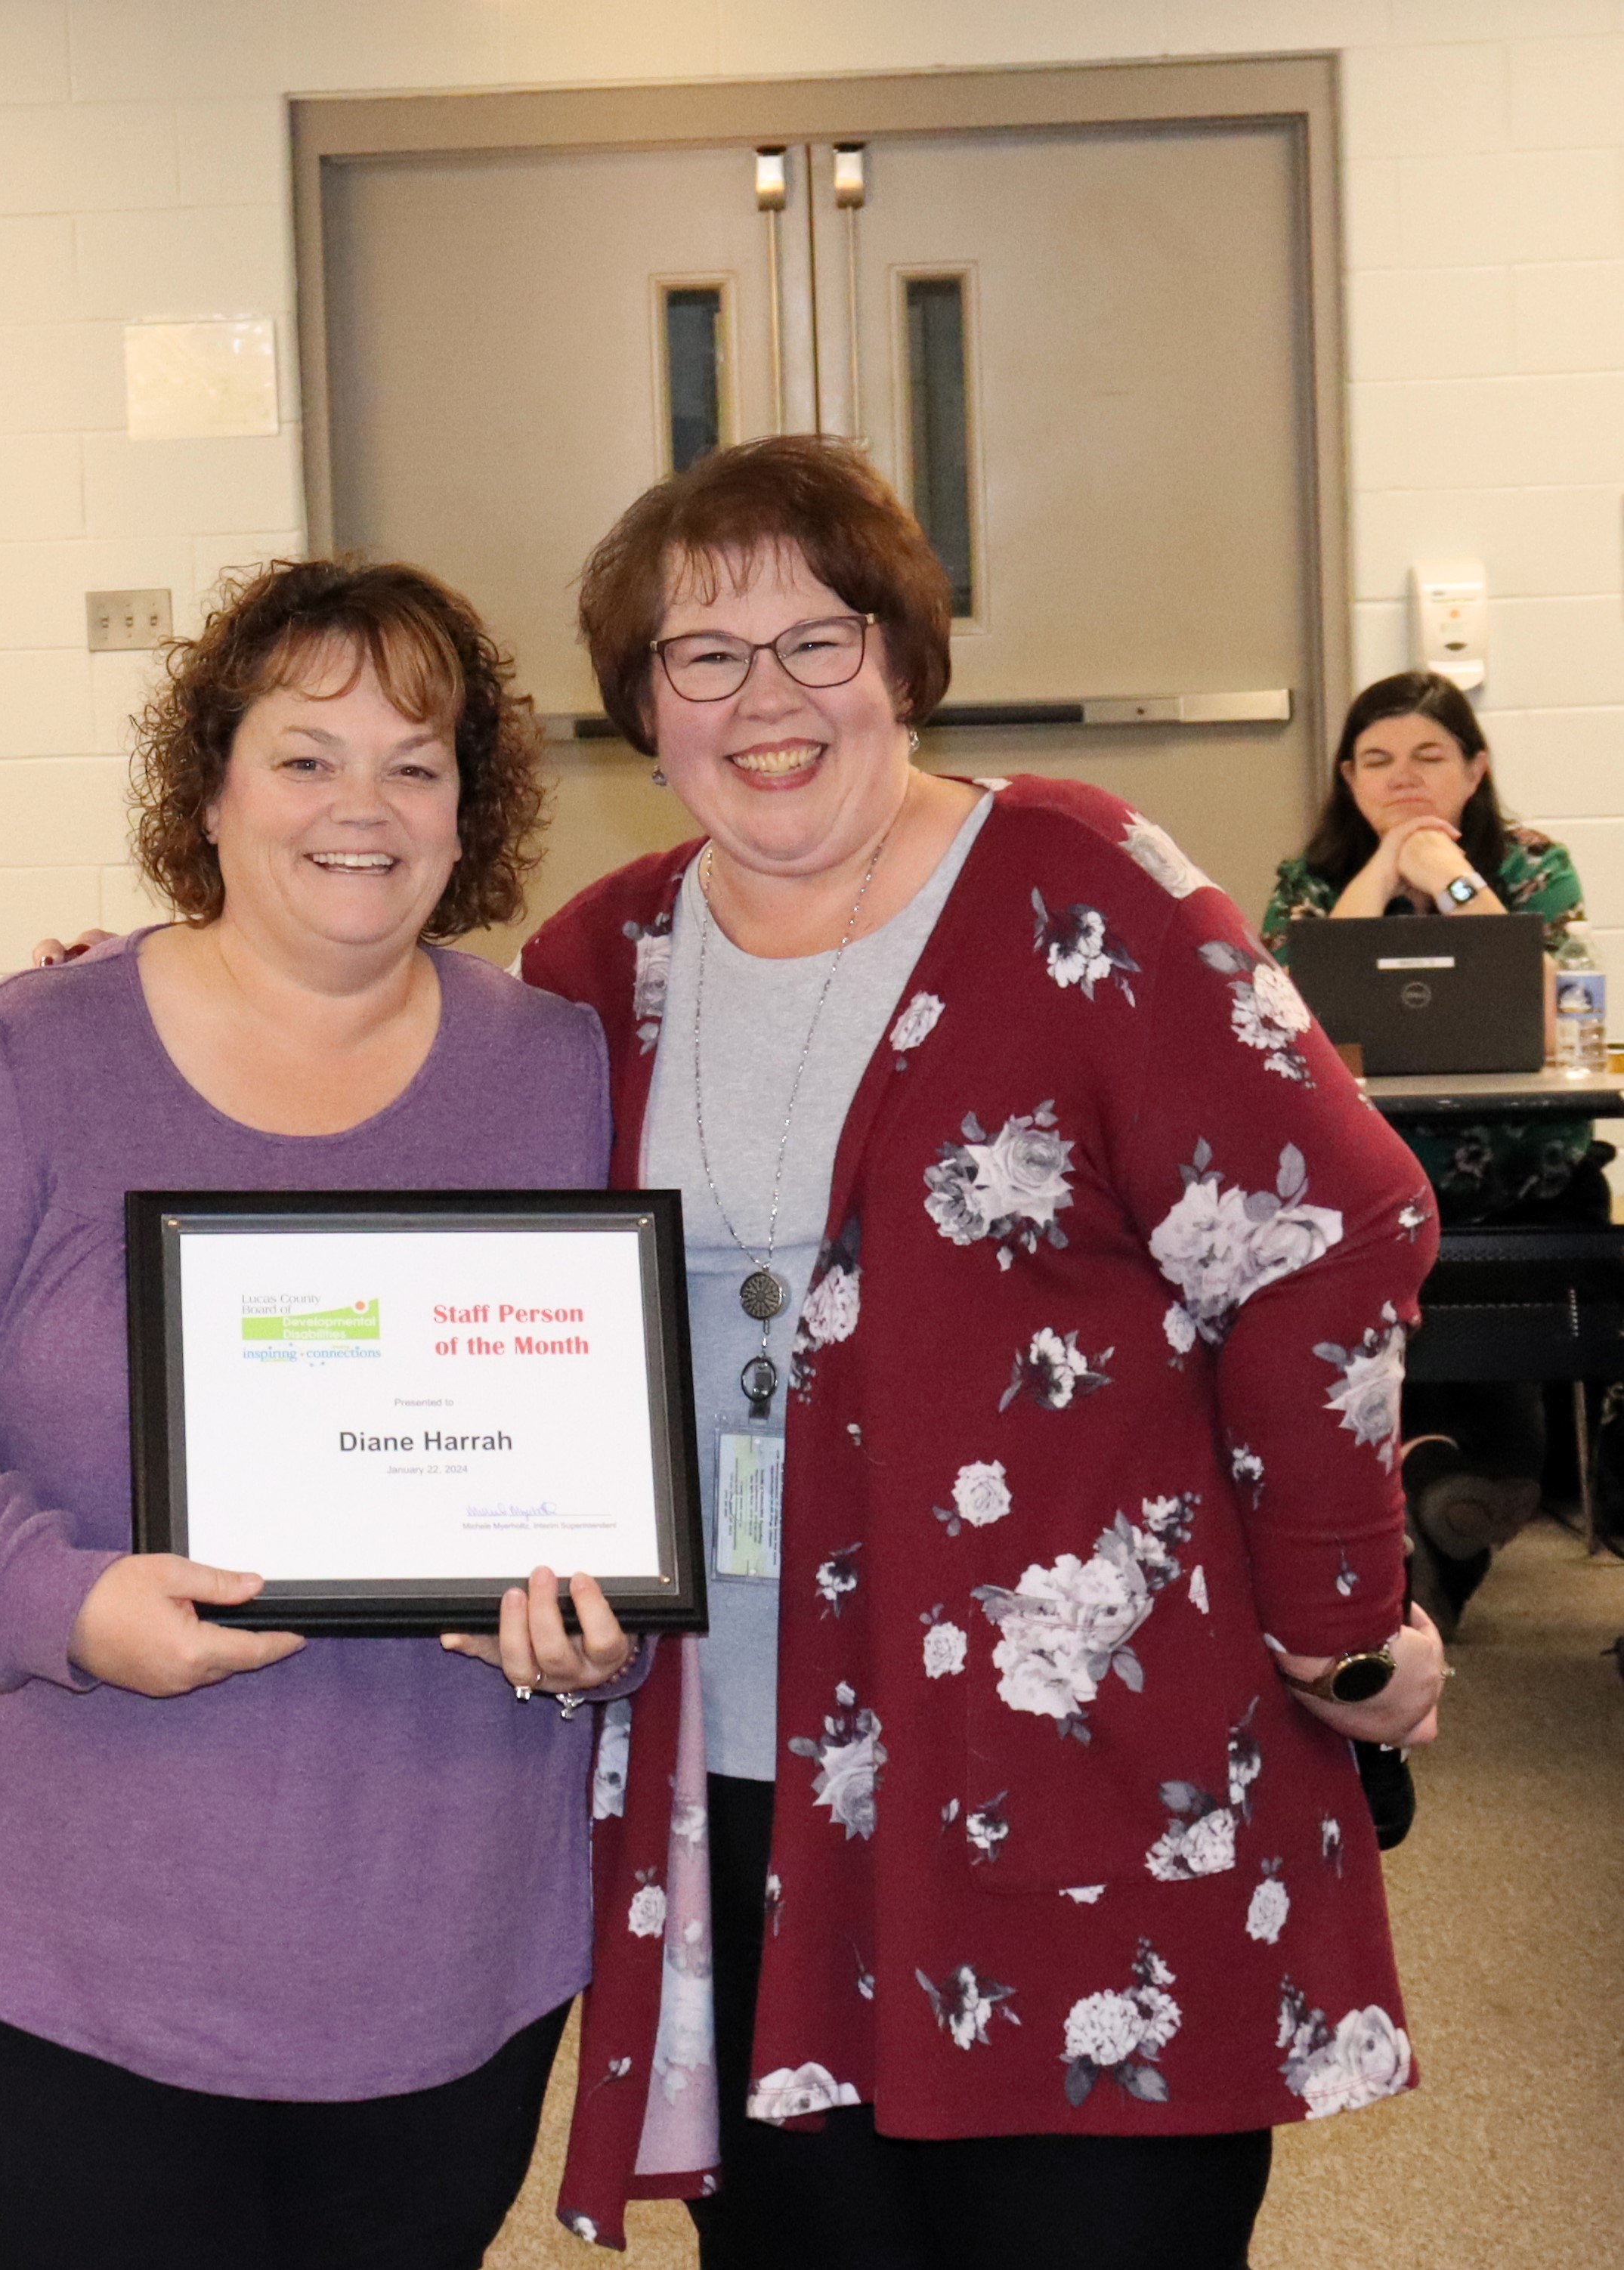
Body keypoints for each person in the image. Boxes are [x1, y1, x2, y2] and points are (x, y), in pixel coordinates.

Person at [517, 437, 1447, 2268]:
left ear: (906, 658)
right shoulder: (603, 957)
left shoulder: (1075, 882)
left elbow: (1326, 1233)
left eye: (820, 638)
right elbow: (415, 1169)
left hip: (1083, 1751)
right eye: (704, 654)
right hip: (745, 1770)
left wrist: (1337, 1608)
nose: (767, 699)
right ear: (644, 707)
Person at [0, 557, 643, 2270]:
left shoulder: (565, 1070)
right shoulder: (28, 1053)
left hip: (443, 1894)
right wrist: (63, 1601)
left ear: (470, 807)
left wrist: (608, 1623)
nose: (365, 807)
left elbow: (635, 1421)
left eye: (418, 761)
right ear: (211, 786)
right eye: (307, 755)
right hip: (67, 1880)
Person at [1261, 671, 1600, 1629]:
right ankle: (1441, 1506)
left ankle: (1447, 1503)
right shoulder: (1311, 881)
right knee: (1378, 1278)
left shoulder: (1533, 867)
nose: (1401, 777)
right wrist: (1381, 869)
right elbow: (1276, 1007)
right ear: (1345, 776)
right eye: (1377, 761)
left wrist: (1448, 877)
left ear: (1475, 768)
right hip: (1367, 1183)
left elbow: (1546, 1002)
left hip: (1516, 1183)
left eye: (1427, 757)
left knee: (1485, 1333)